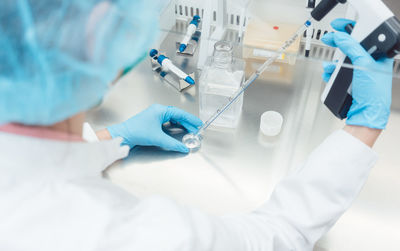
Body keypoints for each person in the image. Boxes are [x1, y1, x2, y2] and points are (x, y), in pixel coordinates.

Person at [0, 1, 394, 250]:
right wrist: (363, 127)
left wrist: (110, 137)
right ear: (95, 34)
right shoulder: (121, 235)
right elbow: (279, 237)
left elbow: (29, 165)